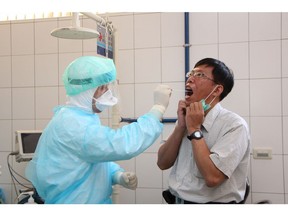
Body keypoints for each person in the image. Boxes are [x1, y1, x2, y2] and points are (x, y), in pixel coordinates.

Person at [25, 56, 172, 204]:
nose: (107, 92)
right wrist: (157, 109)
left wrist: (116, 175)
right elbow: (121, 144)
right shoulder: (74, 125)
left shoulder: (78, 117)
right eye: (102, 88)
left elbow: (90, 159)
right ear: (86, 90)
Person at [157, 58, 250, 204]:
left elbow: (213, 178)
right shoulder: (184, 121)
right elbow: (162, 163)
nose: (190, 79)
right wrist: (181, 127)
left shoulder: (234, 125)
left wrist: (194, 129)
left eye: (199, 75)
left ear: (217, 90)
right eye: (191, 73)